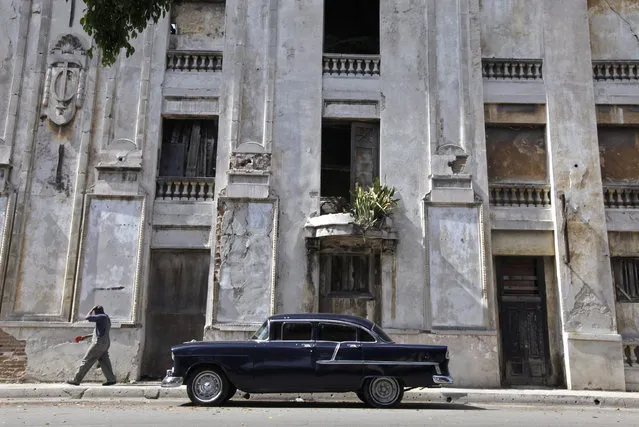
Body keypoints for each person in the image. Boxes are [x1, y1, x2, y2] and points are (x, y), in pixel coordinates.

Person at [67, 305, 117, 386]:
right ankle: (111, 379)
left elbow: (87, 317)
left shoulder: (101, 316)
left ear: (96, 312)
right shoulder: (107, 318)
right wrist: (85, 337)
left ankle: (76, 380)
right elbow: (98, 332)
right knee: (104, 362)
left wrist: (91, 309)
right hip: (106, 343)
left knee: (86, 360)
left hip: (98, 343)